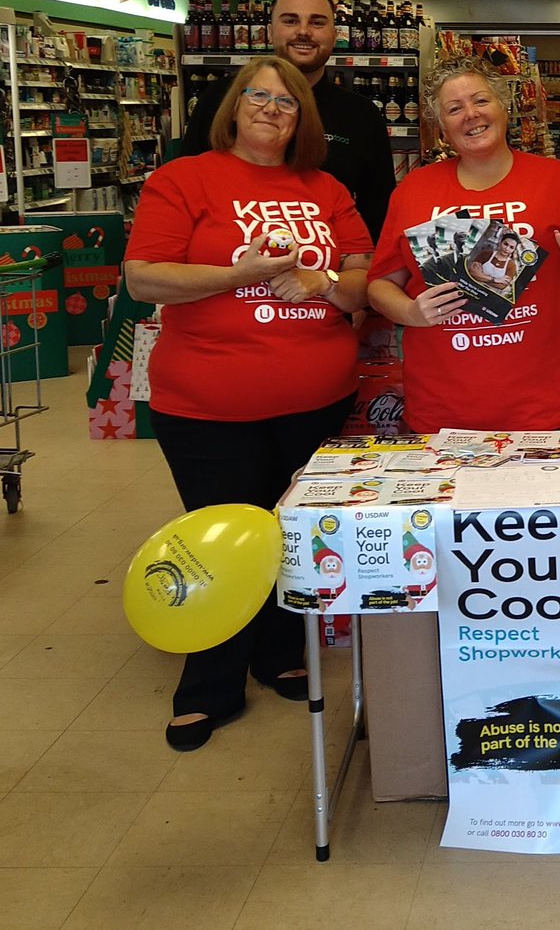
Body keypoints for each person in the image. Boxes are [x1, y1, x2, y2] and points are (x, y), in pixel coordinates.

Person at [125, 57, 373, 752]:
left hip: (317, 398)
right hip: (207, 402)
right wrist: (245, 273)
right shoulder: (184, 179)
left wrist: (322, 279)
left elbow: (363, 283)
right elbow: (146, 275)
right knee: (221, 537)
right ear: (233, 108)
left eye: (286, 102)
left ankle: (276, 652)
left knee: (288, 534)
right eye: (257, 97)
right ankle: (208, 681)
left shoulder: (325, 188)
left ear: (303, 120)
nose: (270, 108)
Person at [368, 56, 560, 431]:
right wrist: (410, 313)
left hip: (541, 405)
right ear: (440, 126)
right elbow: (379, 285)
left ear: (504, 107)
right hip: (442, 406)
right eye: (454, 108)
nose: (471, 114)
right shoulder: (413, 191)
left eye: (481, 100)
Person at [182, 0, 393, 242]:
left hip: (327, 274)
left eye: (317, 23)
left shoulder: (361, 114)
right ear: (270, 30)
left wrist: (349, 273)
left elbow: (379, 211)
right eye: (290, 21)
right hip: (223, 264)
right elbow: (186, 187)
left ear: (334, 33)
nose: (304, 32)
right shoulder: (221, 98)